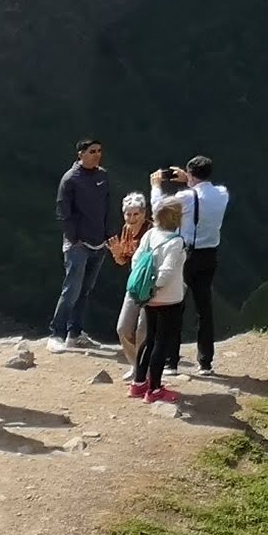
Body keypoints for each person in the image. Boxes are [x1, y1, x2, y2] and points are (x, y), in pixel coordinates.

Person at [48, 140, 114, 349]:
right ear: (80, 154)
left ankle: (74, 334)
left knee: (85, 290)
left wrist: (108, 235)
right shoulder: (70, 179)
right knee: (71, 290)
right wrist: (73, 237)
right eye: (92, 151)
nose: (97, 155)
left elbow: (107, 207)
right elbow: (63, 212)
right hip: (78, 244)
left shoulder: (102, 176)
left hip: (99, 243)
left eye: (99, 151)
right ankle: (56, 334)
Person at [130, 194, 192, 404]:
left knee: (149, 339)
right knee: (161, 342)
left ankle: (138, 383)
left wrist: (147, 290)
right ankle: (155, 389)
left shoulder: (149, 235)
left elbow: (137, 260)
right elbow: (167, 271)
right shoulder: (175, 242)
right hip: (169, 299)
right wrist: (157, 288)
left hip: (148, 299)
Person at [181, 155, 230, 376]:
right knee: (204, 309)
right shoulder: (222, 194)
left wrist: (158, 185)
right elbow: (207, 191)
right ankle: (205, 361)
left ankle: (171, 360)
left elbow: (162, 208)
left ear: (190, 175)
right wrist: (190, 179)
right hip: (210, 255)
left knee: (176, 305)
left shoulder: (186, 197)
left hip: (187, 254)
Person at [109, 190, 150, 371]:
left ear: (144, 213)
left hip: (151, 285)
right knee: (123, 329)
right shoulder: (126, 230)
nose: (132, 218)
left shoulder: (151, 231)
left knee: (142, 330)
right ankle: (136, 366)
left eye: (136, 214)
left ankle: (143, 371)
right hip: (134, 283)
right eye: (128, 214)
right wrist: (117, 254)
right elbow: (123, 261)